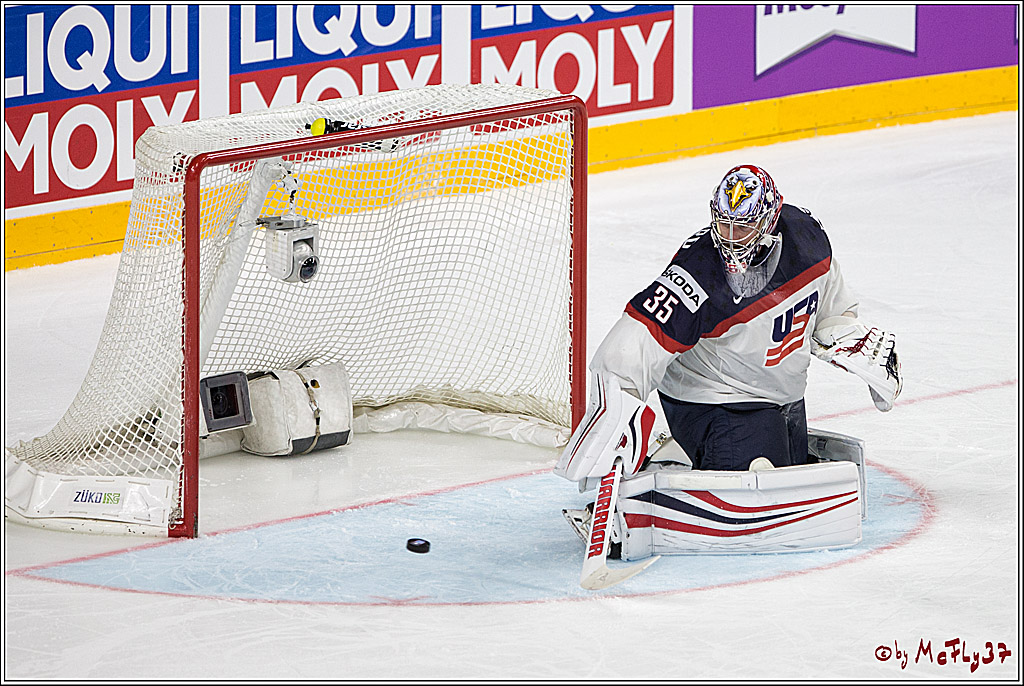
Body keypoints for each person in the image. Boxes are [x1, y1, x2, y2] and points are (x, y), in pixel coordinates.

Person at [555, 164, 902, 482]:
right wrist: (617, 413)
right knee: (758, 484)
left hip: (782, 396)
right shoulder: (699, 271)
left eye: (744, 225)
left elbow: (830, 304)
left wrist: (847, 337)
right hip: (714, 400)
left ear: (770, 220)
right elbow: (636, 340)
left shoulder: (805, 239)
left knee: (790, 474)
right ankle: (675, 458)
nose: (732, 236)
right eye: (725, 223)